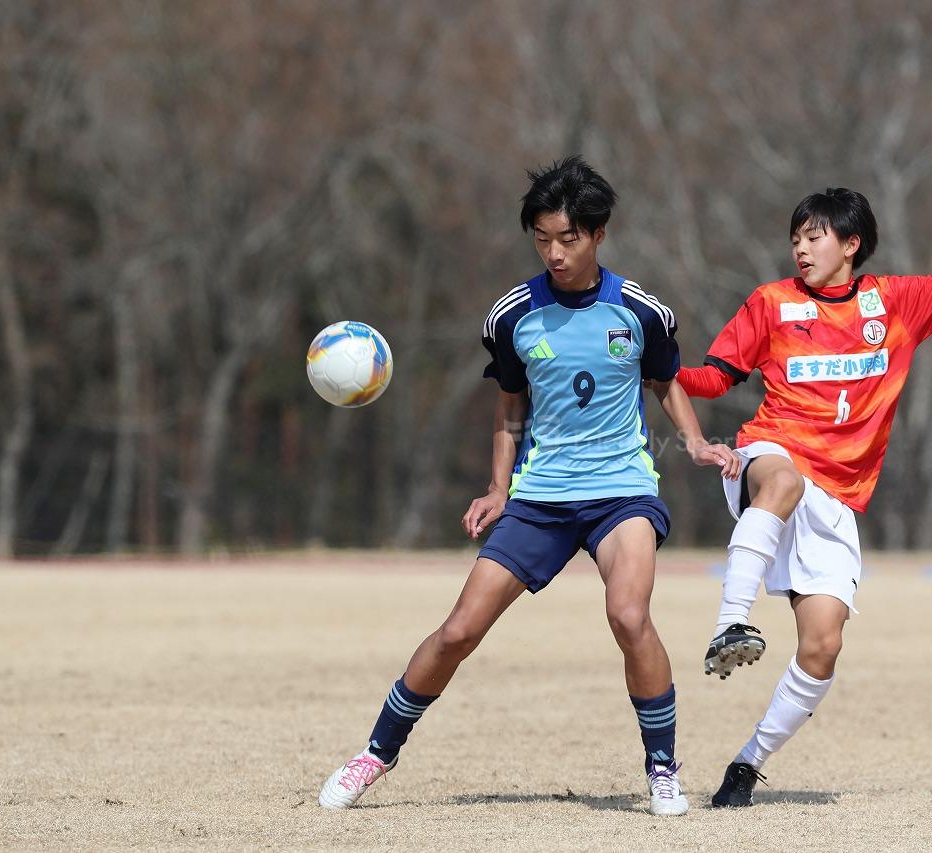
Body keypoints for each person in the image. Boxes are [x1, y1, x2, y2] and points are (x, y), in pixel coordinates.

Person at [317, 155, 740, 816]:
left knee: (629, 616)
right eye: (542, 239)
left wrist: (694, 440)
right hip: (540, 496)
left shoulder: (641, 311)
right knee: (459, 631)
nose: (554, 253)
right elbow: (510, 406)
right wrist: (498, 488)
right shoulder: (512, 315)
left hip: (622, 491)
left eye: (567, 238)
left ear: (598, 234)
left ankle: (662, 767)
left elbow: (664, 381)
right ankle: (375, 753)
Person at [679, 175, 932, 806]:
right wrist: (659, 370)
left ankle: (747, 764)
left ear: (851, 244)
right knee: (783, 480)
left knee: (823, 647)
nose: (800, 248)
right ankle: (730, 624)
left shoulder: (896, 302)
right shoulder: (771, 303)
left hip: (837, 496)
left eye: (814, 236)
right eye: (795, 238)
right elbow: (713, 379)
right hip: (771, 454)